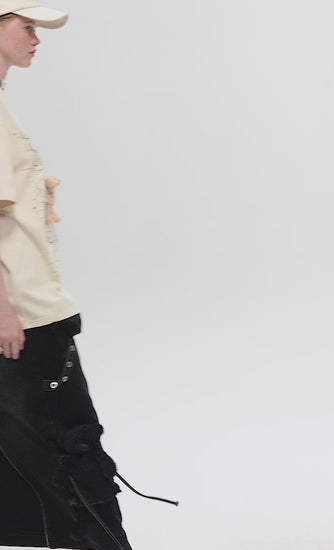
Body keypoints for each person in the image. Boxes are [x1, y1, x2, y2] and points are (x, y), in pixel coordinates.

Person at [0, 2, 177, 548]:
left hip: (25, 307)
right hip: (24, 315)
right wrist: (4, 311)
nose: (36, 39)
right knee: (72, 448)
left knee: (22, 451)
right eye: (27, 27)